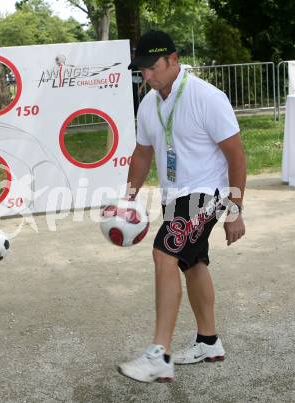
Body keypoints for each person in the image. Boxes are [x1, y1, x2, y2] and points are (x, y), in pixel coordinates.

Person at [118, 31, 246, 382]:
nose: (147, 75)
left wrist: (235, 209)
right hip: (176, 199)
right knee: (192, 262)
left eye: (152, 67)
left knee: (164, 254)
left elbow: (235, 154)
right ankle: (209, 341)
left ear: (173, 60)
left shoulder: (206, 96)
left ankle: (159, 353)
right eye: (141, 69)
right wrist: (127, 199)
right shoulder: (148, 104)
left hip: (208, 193)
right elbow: (143, 153)